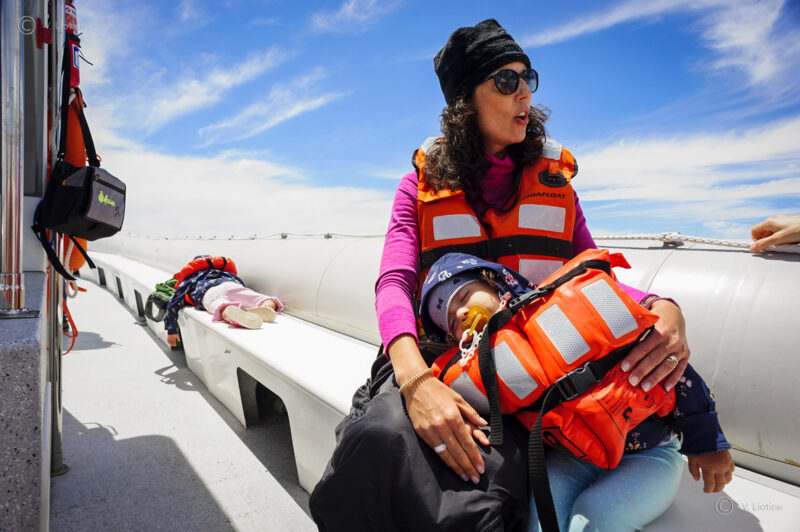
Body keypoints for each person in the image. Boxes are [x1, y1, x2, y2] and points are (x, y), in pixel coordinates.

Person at [310, 19, 692, 531]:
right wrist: (417, 383)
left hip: (528, 374)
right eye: (506, 81)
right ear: (465, 101)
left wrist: (663, 306)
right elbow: (394, 282)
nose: (524, 94)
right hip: (445, 364)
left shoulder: (556, 185)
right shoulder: (417, 186)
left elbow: (592, 274)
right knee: (380, 441)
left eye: (527, 78)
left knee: (479, 500)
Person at [420, 252, 734, 532]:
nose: (461, 313)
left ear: (493, 283)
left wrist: (707, 443)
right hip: (575, 456)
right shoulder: (482, 369)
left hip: (651, 452)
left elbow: (676, 374)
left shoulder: (563, 302)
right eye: (450, 321)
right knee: (540, 517)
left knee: (595, 516)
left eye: (464, 296)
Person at [164, 255, 282, 347]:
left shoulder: (190, 278)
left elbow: (174, 303)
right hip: (231, 285)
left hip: (209, 291)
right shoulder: (225, 273)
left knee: (220, 305)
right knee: (257, 298)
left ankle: (228, 312)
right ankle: (268, 305)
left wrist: (171, 331)